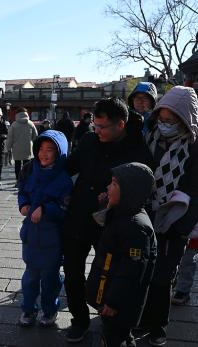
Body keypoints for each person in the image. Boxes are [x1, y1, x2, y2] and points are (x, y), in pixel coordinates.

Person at [62, 97, 152, 343]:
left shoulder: (137, 147)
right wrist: (39, 169)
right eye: (95, 126)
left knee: (111, 275)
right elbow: (69, 166)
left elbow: (144, 187)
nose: (97, 131)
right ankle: (79, 320)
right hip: (78, 218)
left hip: (113, 226)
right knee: (72, 272)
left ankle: (110, 323)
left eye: (103, 127)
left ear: (121, 125)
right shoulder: (90, 140)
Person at [139, 86, 198, 346]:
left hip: (175, 219)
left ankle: (158, 327)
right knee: (142, 271)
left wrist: (181, 227)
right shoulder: (150, 135)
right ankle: (140, 320)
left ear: (185, 118)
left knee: (162, 277)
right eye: (162, 118)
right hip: (146, 214)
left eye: (171, 120)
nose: (165, 124)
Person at [86, 162, 156, 347]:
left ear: (130, 191)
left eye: (114, 184)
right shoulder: (121, 213)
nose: (108, 187)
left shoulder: (136, 227)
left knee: (116, 334)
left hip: (119, 303)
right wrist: (106, 203)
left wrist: (114, 302)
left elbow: (131, 272)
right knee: (114, 333)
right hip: (109, 291)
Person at [17, 130, 73, 327]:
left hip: (53, 238)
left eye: (50, 149)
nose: (44, 153)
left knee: (50, 278)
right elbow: (23, 191)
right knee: (30, 277)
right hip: (31, 235)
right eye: (40, 149)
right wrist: (23, 204)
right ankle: (28, 308)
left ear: (60, 153)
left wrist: (46, 209)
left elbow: (65, 207)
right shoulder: (30, 170)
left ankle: (49, 310)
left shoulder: (64, 179)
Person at [7, 107, 38, 186]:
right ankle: (26, 181)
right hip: (28, 148)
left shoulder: (14, 125)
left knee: (17, 165)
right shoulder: (30, 123)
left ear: (17, 114)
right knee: (27, 166)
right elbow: (35, 136)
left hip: (16, 148)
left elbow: (10, 138)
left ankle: (18, 181)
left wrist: (8, 148)